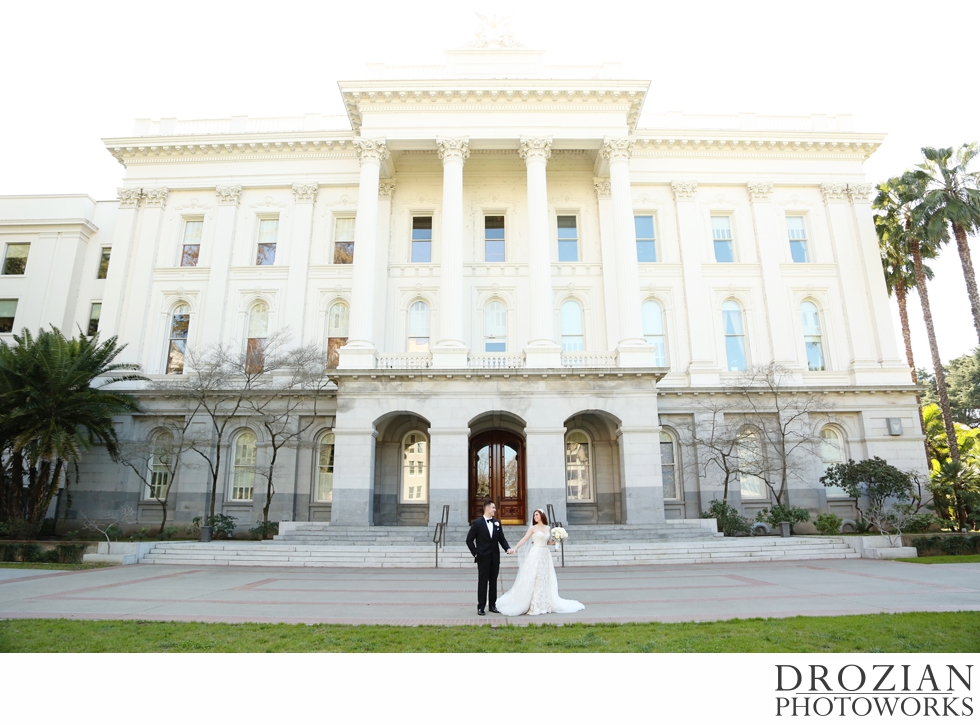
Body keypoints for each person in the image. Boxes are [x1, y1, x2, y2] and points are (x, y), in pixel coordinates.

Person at [494, 508, 585, 616]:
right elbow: (524, 539)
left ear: (542, 515)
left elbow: (547, 542)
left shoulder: (548, 528)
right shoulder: (533, 528)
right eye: (534, 515)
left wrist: (558, 539)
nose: (535, 517)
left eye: (537, 515)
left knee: (544, 578)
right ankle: (534, 604)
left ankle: (544, 603)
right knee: (535, 577)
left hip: (545, 554)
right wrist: (515, 548)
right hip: (535, 554)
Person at [465, 500, 514, 616]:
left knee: (493, 582)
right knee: (483, 582)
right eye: (493, 508)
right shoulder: (477, 523)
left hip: (495, 558)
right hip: (483, 558)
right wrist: (476, 553)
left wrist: (507, 549)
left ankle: (492, 605)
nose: (495, 510)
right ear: (487, 509)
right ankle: (481, 606)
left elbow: (501, 539)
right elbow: (469, 540)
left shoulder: (497, 523)